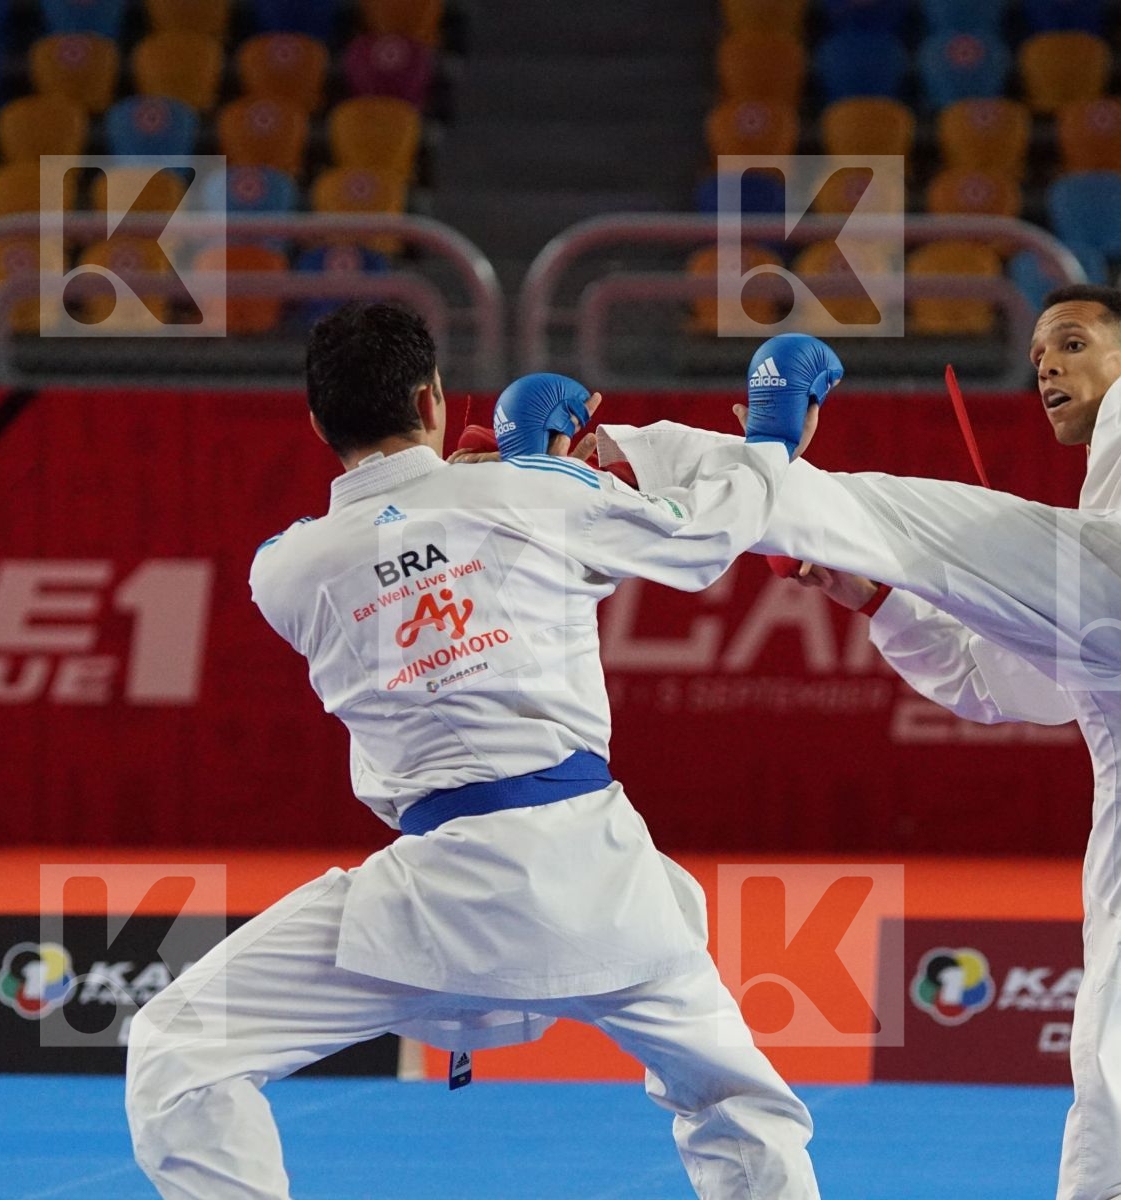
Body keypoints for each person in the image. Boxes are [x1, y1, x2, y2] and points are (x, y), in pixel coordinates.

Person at [596, 288, 1121, 1199]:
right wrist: (873, 601)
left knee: (905, 520)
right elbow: (996, 684)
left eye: (1072, 342)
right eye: (1039, 353)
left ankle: (665, 457)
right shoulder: (1109, 479)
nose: (1046, 364)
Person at [123, 304, 836, 1200]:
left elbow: (403, 534)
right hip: (602, 883)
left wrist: (504, 477)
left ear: (314, 424)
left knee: (179, 1050)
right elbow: (699, 537)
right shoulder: (532, 496)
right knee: (739, 1106)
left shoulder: (284, 572)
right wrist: (773, 438)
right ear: (432, 396)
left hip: (433, 905)